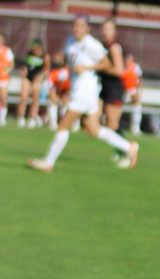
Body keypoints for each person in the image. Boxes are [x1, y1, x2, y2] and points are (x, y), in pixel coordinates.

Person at [28, 16, 138, 174]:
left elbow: (106, 63)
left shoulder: (91, 44)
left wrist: (86, 68)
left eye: (81, 26)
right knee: (94, 129)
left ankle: (48, 162)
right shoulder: (70, 41)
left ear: (88, 29)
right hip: (78, 90)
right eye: (75, 25)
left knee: (63, 124)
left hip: (86, 91)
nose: (77, 28)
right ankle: (129, 147)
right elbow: (70, 61)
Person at [97, 19, 126, 135]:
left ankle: (127, 148)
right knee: (93, 119)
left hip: (114, 88)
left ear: (114, 32)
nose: (105, 32)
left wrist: (99, 67)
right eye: (104, 29)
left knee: (112, 123)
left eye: (109, 29)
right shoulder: (101, 46)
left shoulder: (114, 47)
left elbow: (119, 71)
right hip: (103, 87)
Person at [15, 38, 48, 127]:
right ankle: (21, 118)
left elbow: (46, 69)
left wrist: (41, 76)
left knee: (35, 99)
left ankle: (32, 118)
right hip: (27, 78)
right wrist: (24, 70)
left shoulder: (45, 56)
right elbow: (25, 65)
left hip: (37, 79)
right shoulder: (29, 54)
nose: (33, 49)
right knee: (23, 97)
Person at [122, 52, 143, 135]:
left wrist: (139, 92)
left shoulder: (135, 67)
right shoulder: (121, 66)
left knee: (137, 106)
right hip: (121, 89)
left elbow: (140, 80)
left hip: (132, 89)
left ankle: (135, 128)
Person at [0, 34, 12, 126]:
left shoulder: (7, 51)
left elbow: (11, 64)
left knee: (3, 98)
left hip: (3, 78)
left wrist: (6, 71)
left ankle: (2, 118)